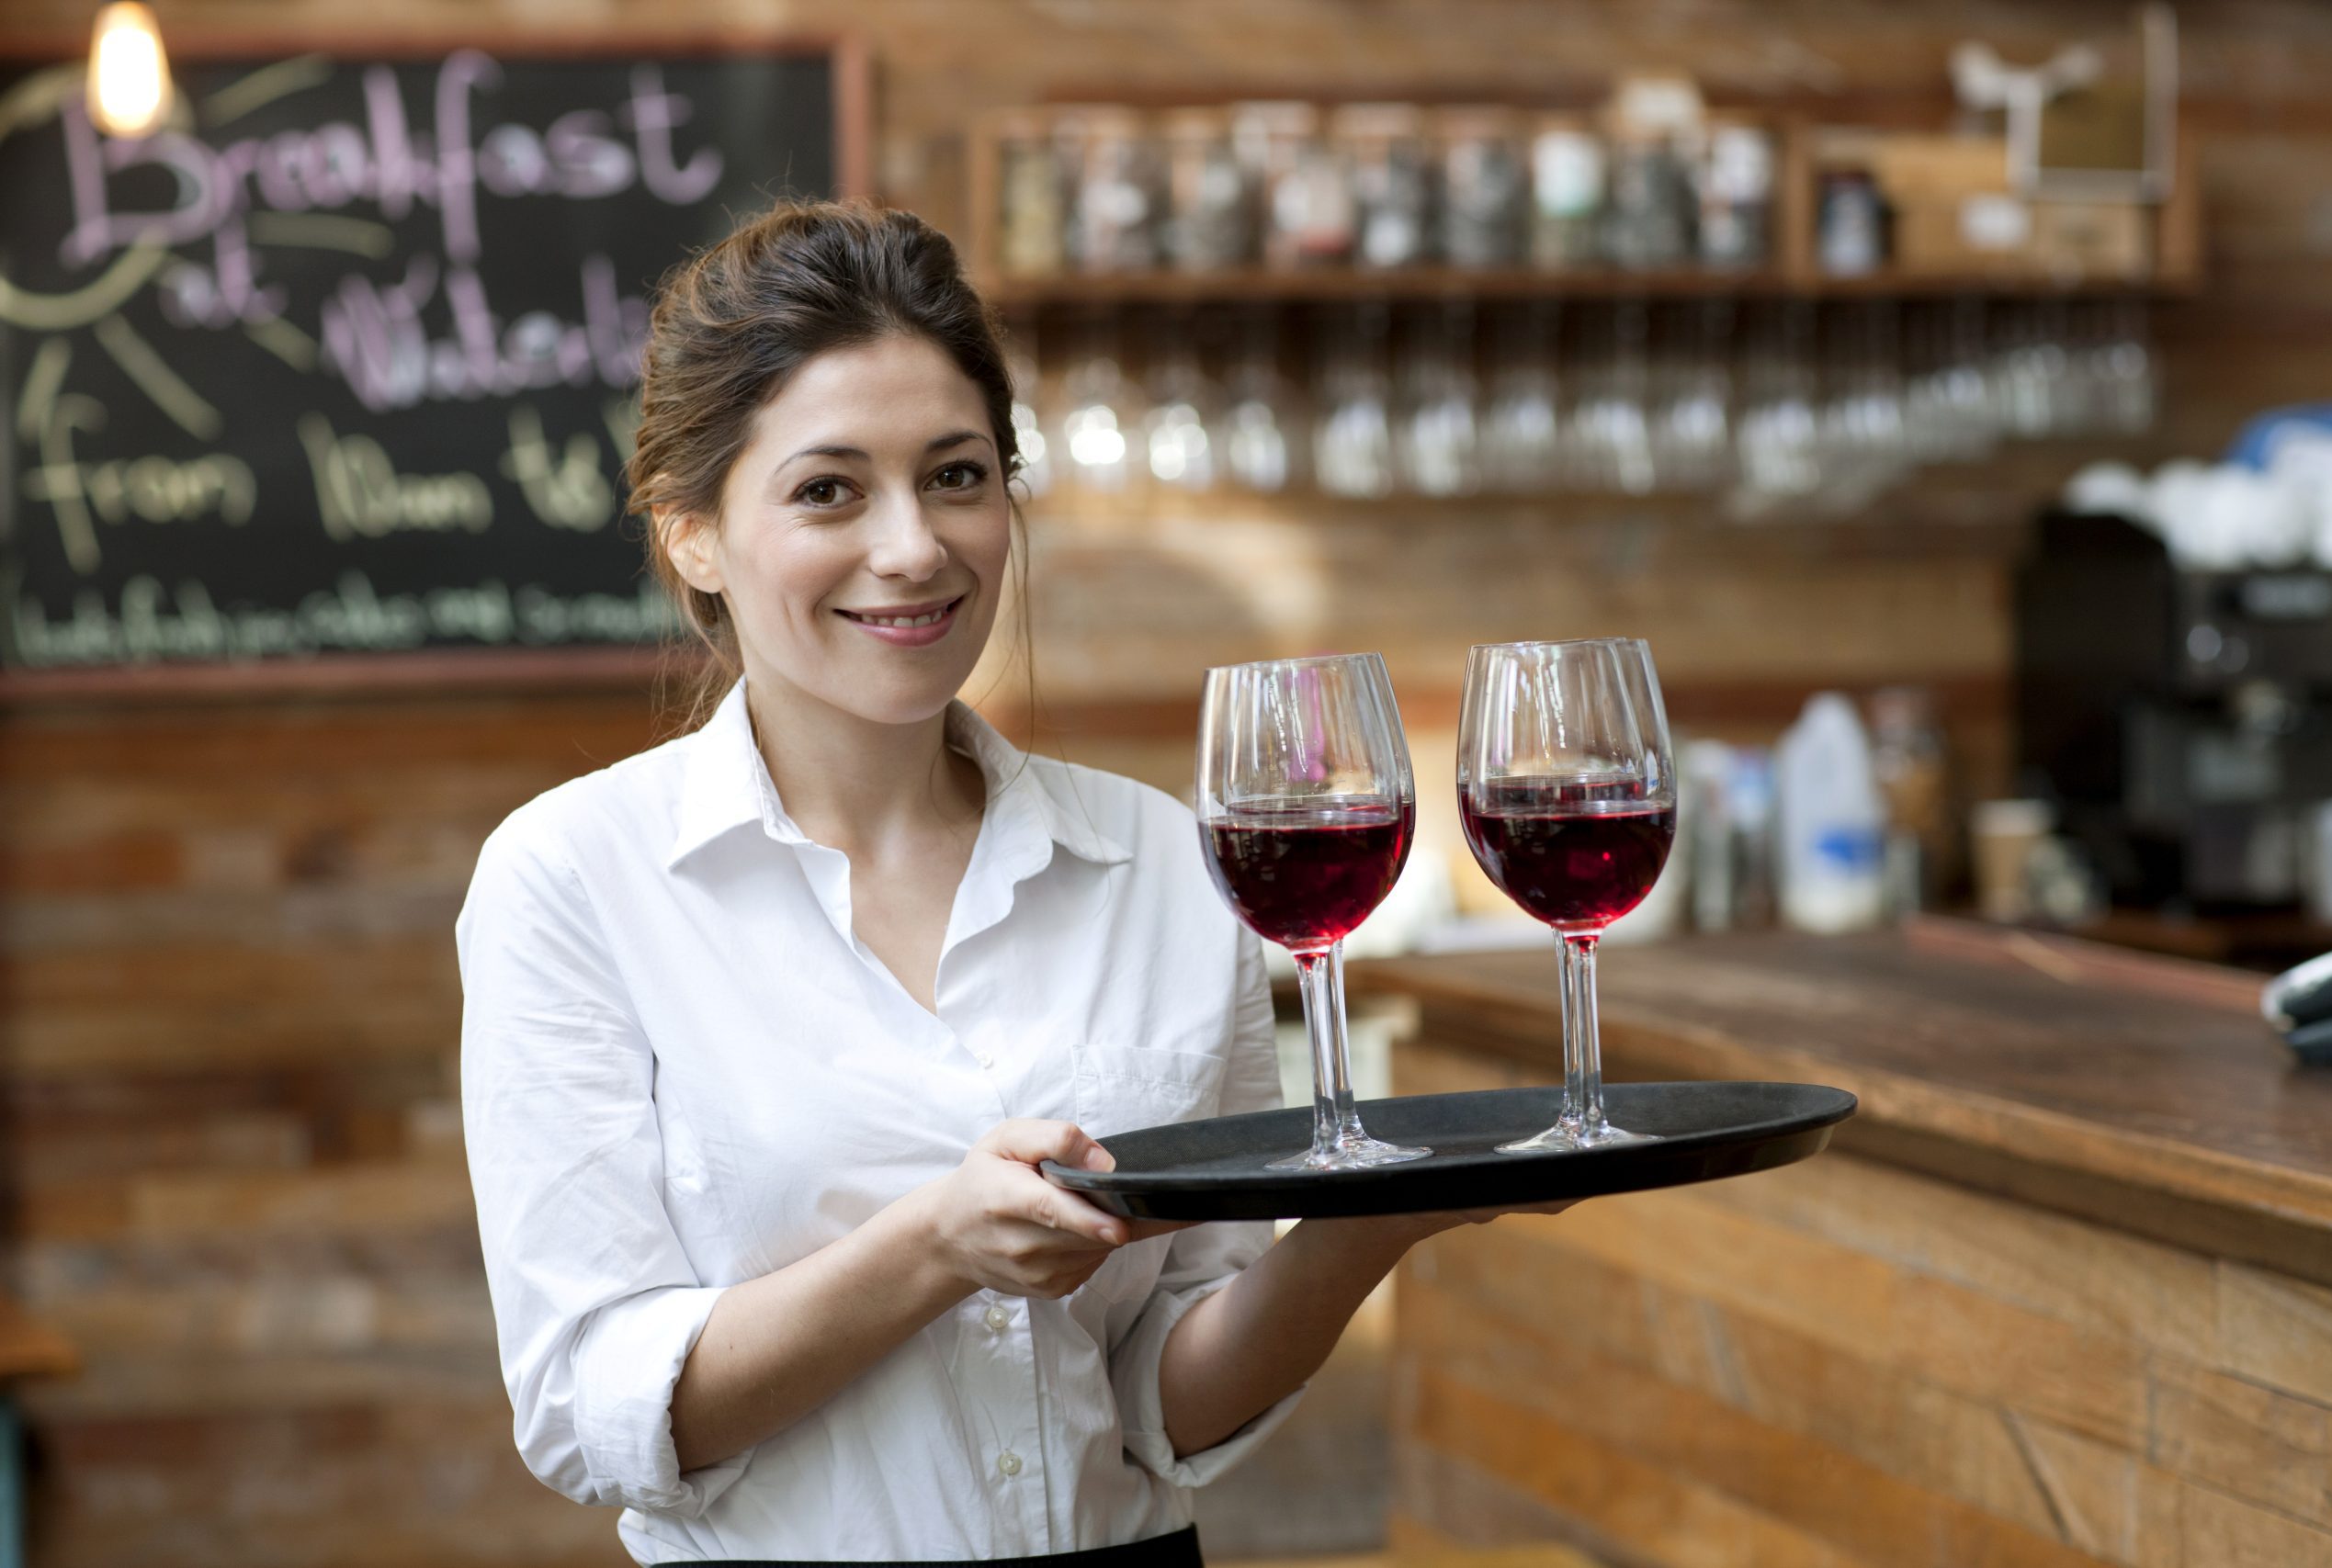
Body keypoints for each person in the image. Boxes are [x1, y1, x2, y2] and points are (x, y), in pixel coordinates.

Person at [457, 199, 1552, 1567]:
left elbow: (1163, 1407)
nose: (914, 546)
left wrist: (1363, 1233)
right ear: (690, 535)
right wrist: (934, 1249)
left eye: (958, 475)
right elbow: (587, 1407)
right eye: (827, 489)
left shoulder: (1162, 861)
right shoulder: (573, 881)